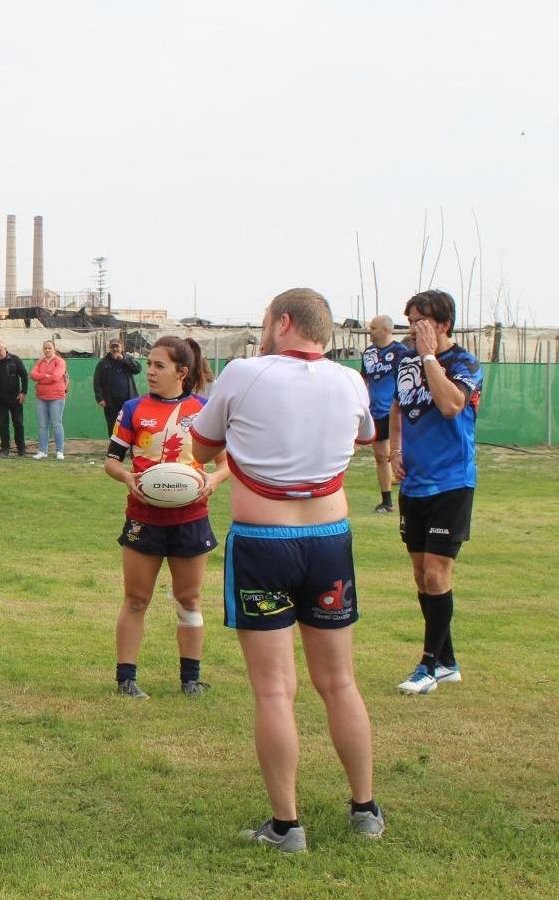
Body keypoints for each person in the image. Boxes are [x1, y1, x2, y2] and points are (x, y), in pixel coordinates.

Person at [190, 287, 383, 852]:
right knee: (340, 681)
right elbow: (366, 437)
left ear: (282, 322)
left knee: (275, 691)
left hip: (263, 543)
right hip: (329, 541)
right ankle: (365, 809)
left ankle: (286, 826)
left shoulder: (245, 373)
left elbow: (201, 449)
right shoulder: (350, 380)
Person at [104, 337, 226, 699]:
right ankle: (126, 679)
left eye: (159, 365)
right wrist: (128, 478)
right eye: (149, 365)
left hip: (191, 518)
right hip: (144, 516)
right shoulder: (132, 409)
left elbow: (226, 462)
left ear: (182, 371)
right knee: (136, 598)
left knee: (189, 598)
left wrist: (212, 481)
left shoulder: (204, 409)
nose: (150, 372)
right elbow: (112, 461)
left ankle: (191, 679)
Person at [390, 290, 480, 695]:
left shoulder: (463, 362)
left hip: (452, 482)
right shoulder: (406, 361)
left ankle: (427, 667)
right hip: (415, 484)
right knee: (421, 576)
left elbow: (450, 406)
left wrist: (429, 357)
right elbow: (397, 406)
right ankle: (448, 661)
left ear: (443, 323)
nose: (412, 329)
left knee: (436, 572)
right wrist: (395, 450)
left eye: (420, 321)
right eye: (409, 321)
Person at [361, 315, 409, 514]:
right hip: (376, 413)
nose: (369, 331)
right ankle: (387, 502)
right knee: (381, 456)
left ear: (386, 330)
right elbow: (364, 380)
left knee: (400, 455)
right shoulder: (368, 353)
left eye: (373, 327)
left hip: (396, 411)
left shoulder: (401, 353)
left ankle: (409, 496)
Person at [93, 338, 141, 436]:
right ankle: (114, 448)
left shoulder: (128, 358)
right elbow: (97, 381)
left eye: (117, 346)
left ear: (122, 347)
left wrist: (124, 359)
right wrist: (100, 398)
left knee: (130, 423)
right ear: (109, 348)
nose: (115, 349)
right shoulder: (103, 363)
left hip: (129, 400)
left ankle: (131, 447)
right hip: (110, 401)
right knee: (113, 425)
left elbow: (137, 369)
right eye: (112, 347)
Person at [30, 339, 68, 459]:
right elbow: (32, 375)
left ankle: (59, 451)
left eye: (49, 348)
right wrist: (45, 376)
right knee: (42, 425)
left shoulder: (60, 361)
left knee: (56, 424)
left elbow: (56, 377)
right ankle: (42, 451)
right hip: (41, 397)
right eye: (45, 348)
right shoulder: (39, 362)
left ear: (54, 349)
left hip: (57, 397)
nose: (47, 350)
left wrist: (41, 379)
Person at [0, 341, 28, 456]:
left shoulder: (15, 359)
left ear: (5, 349)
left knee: (18, 423)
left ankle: (21, 448)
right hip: (0, 399)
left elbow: (24, 375)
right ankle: (5, 448)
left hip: (15, 398)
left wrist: (23, 392)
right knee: (3, 424)